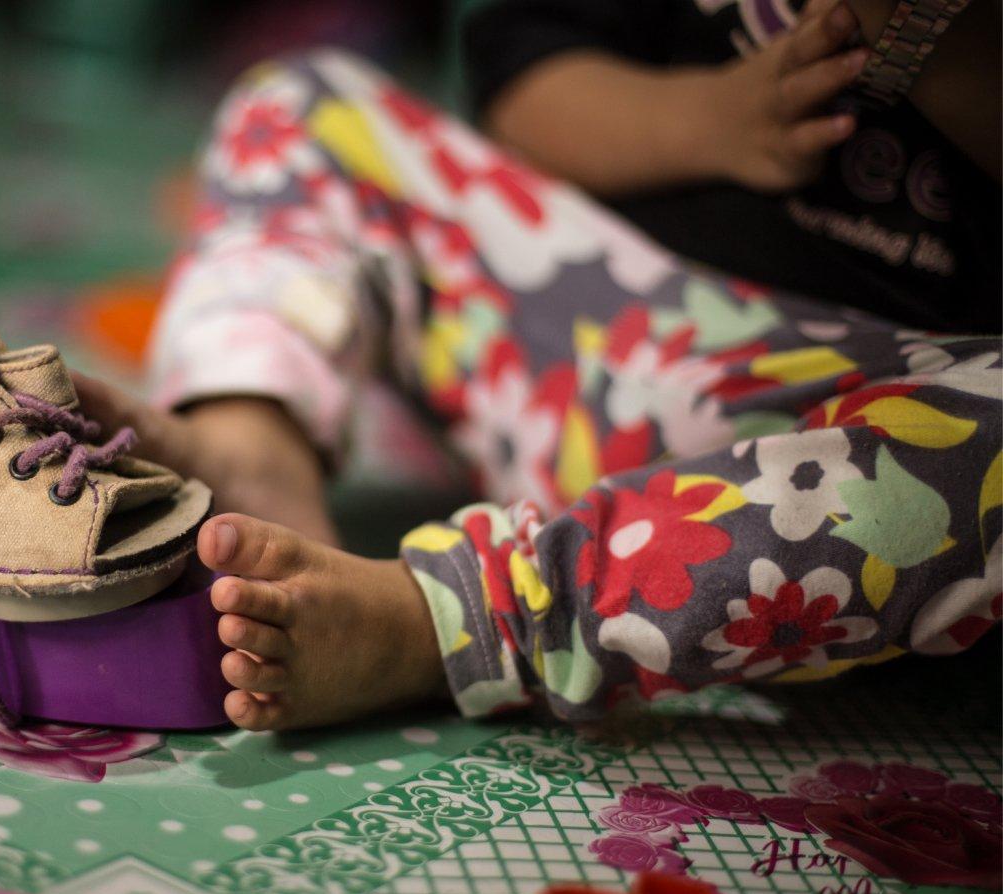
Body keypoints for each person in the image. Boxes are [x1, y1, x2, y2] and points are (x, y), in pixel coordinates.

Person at [76, 0, 1002, 731]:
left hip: (844, 461)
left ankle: (459, 619)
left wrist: (931, 40)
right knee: (301, 105)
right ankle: (253, 438)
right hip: (581, 347)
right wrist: (711, 121)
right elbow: (526, 81)